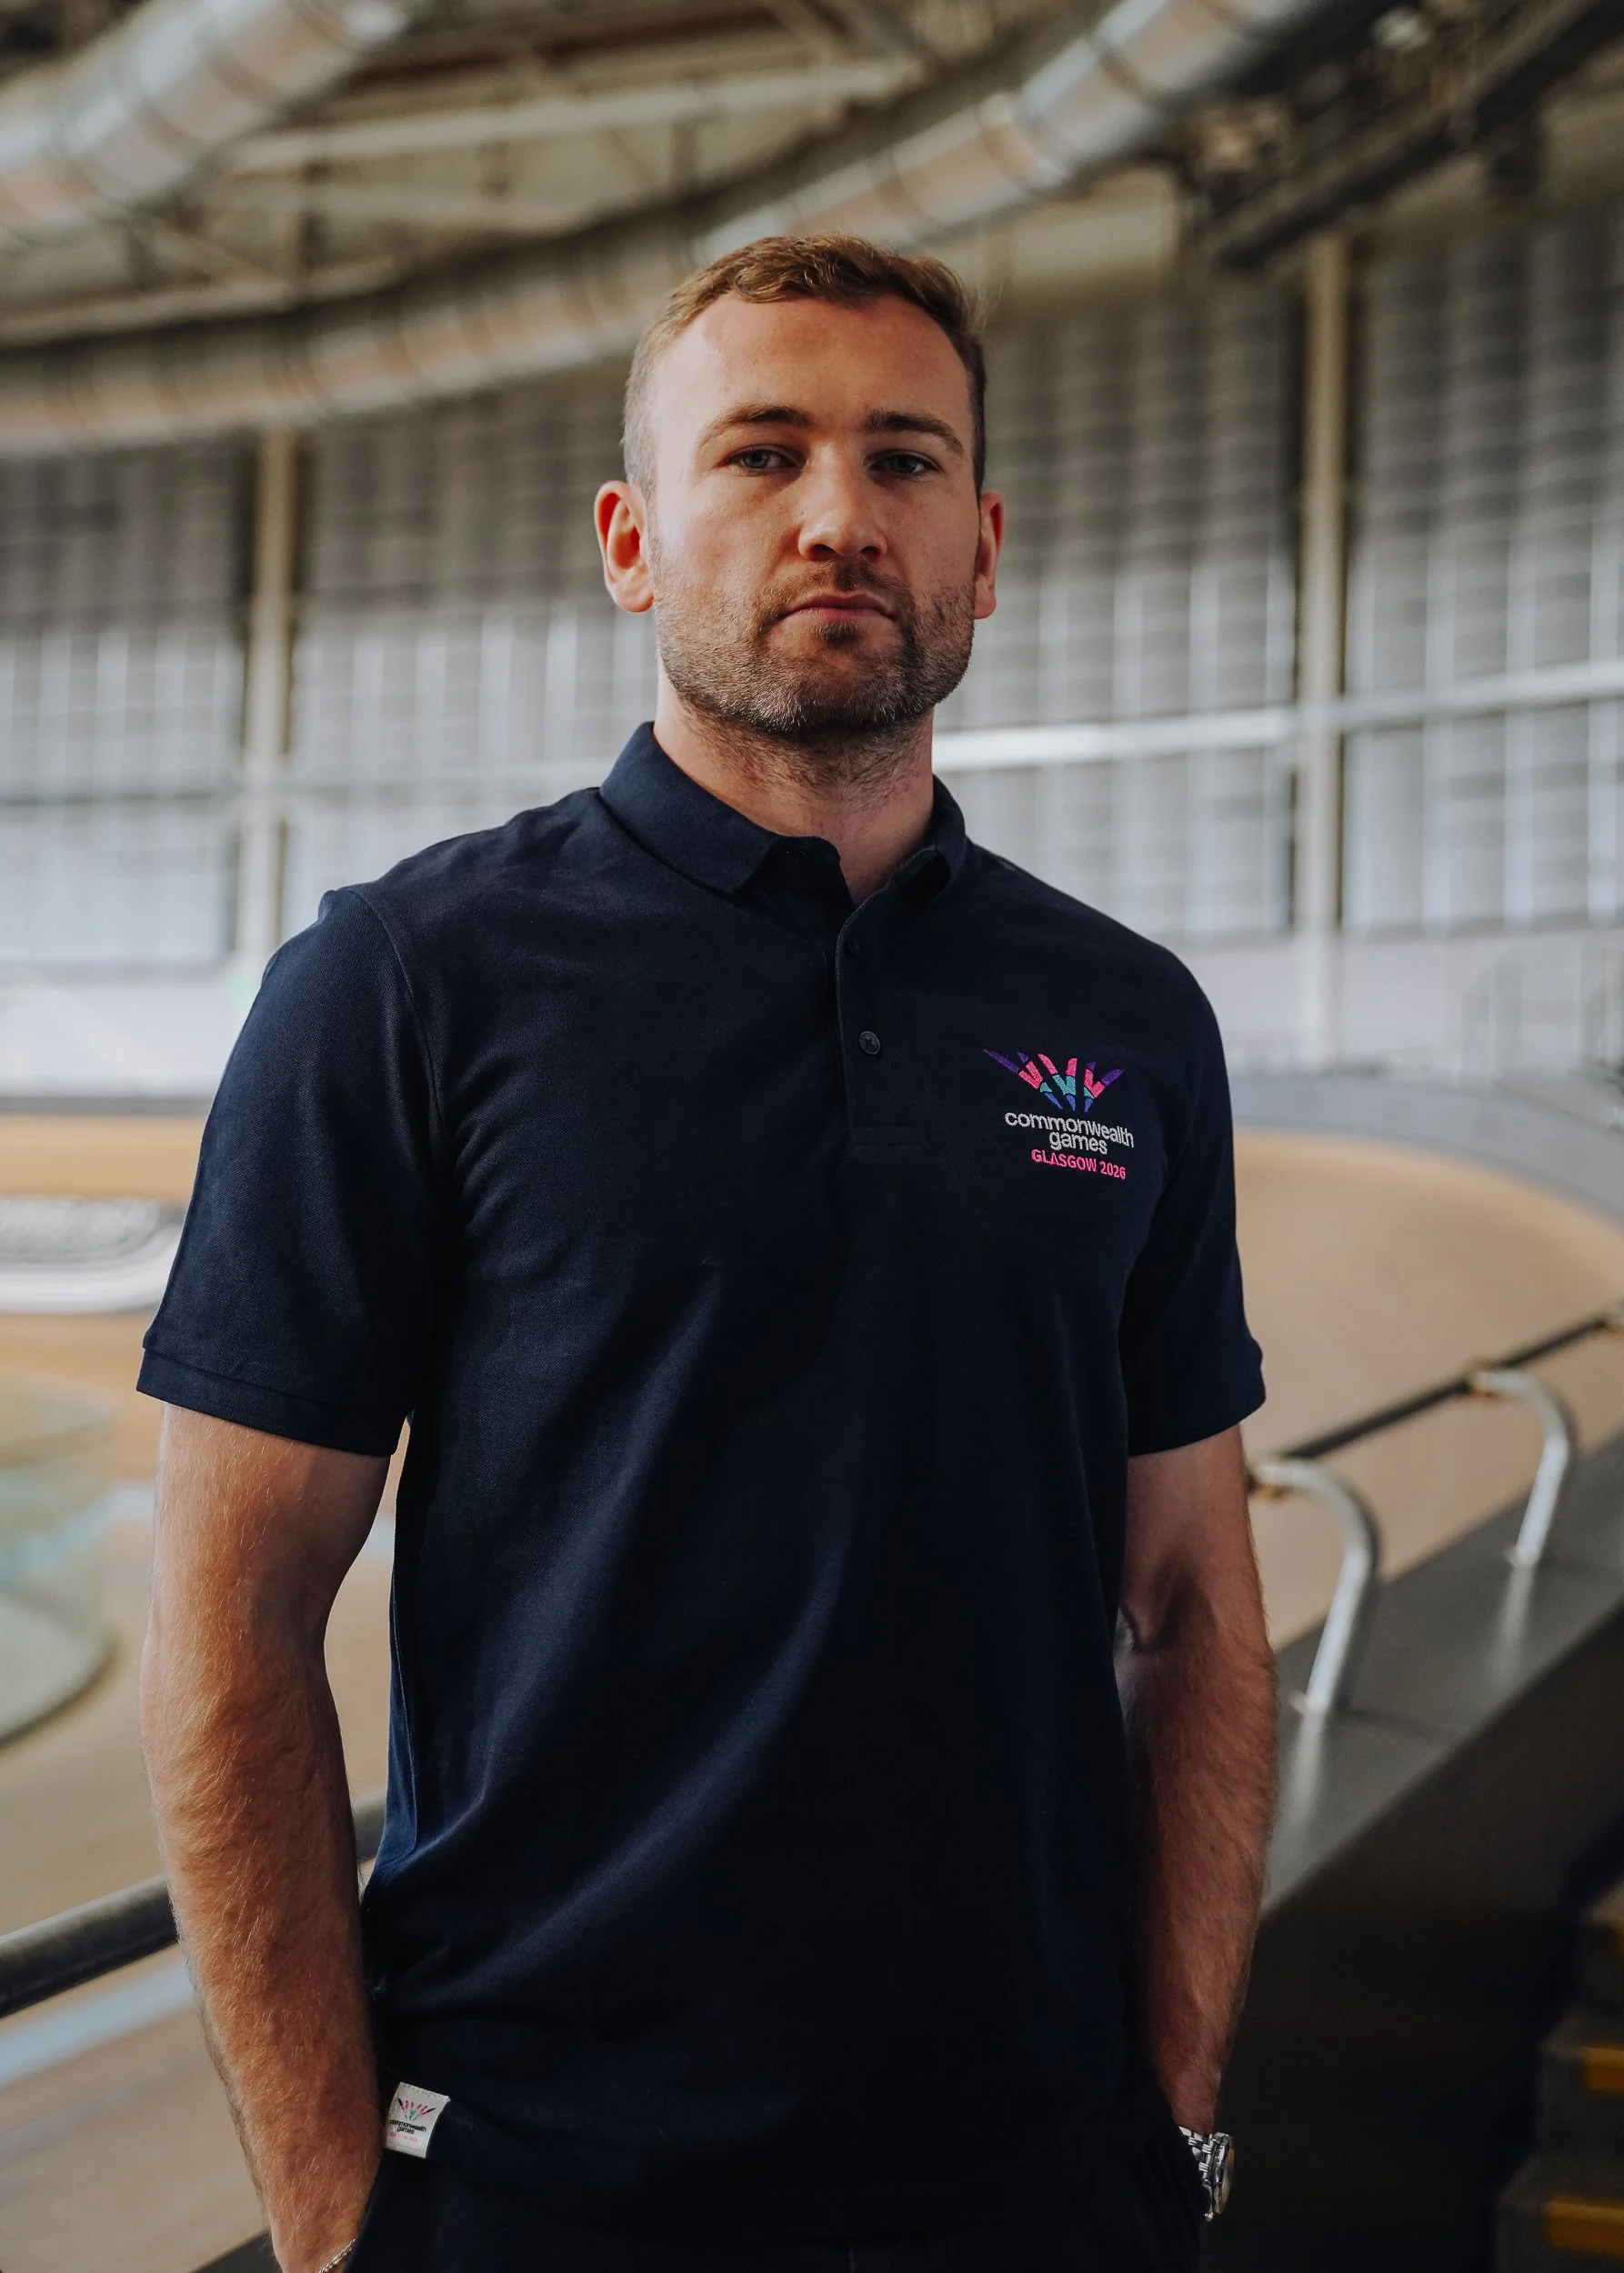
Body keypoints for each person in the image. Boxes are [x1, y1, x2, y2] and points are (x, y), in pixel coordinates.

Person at [139, 234, 1275, 2273]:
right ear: (631, 539)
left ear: (984, 548)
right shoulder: (405, 985)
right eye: (760, 452)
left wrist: (1171, 2117)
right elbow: (230, 1618)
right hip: (543, 2181)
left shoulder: (1124, 1017)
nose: (840, 512)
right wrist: (337, 2222)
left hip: (1028, 2183)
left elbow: (1190, 1595)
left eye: (904, 460)